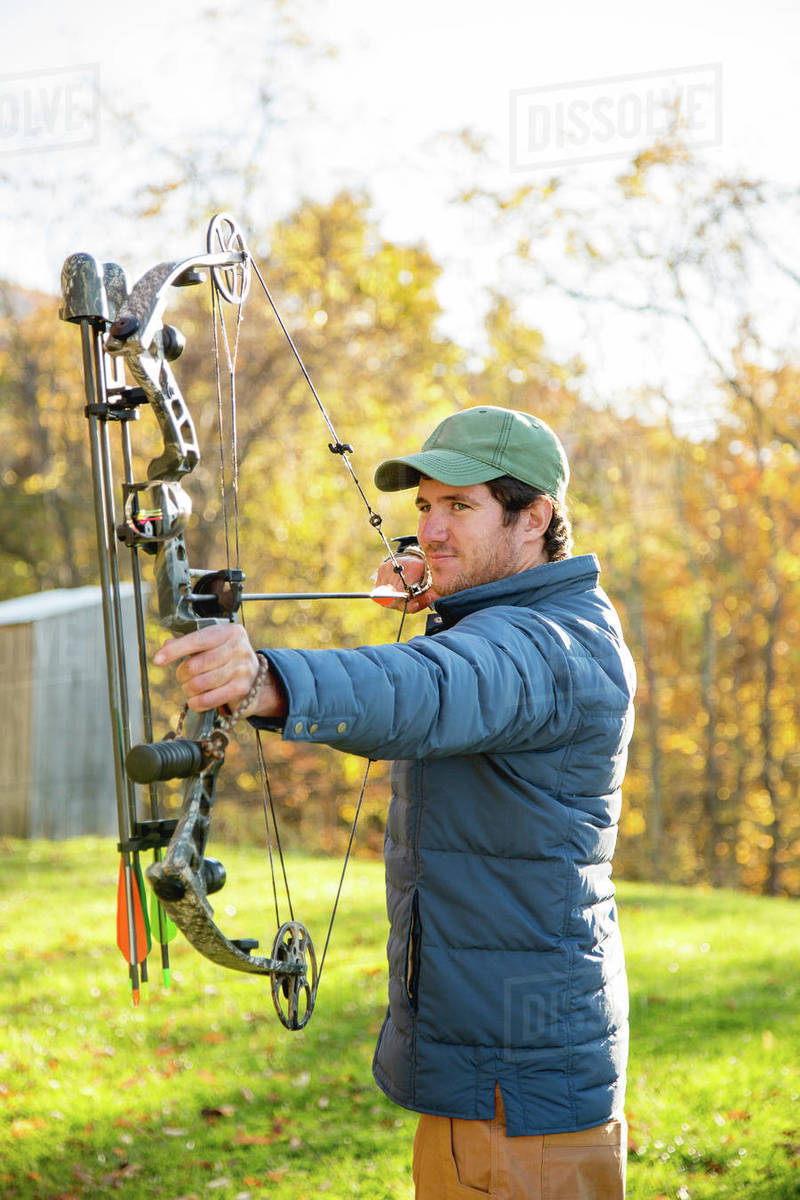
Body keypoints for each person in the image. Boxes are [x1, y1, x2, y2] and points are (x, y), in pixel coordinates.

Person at [154, 405, 636, 1199]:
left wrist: (266, 679)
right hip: (485, 1069)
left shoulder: (554, 647)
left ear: (535, 518)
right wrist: (451, 595)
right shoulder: (518, 619)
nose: (431, 530)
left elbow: (430, 685)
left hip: (524, 1093)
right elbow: (466, 656)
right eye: (424, 507)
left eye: (461, 507)